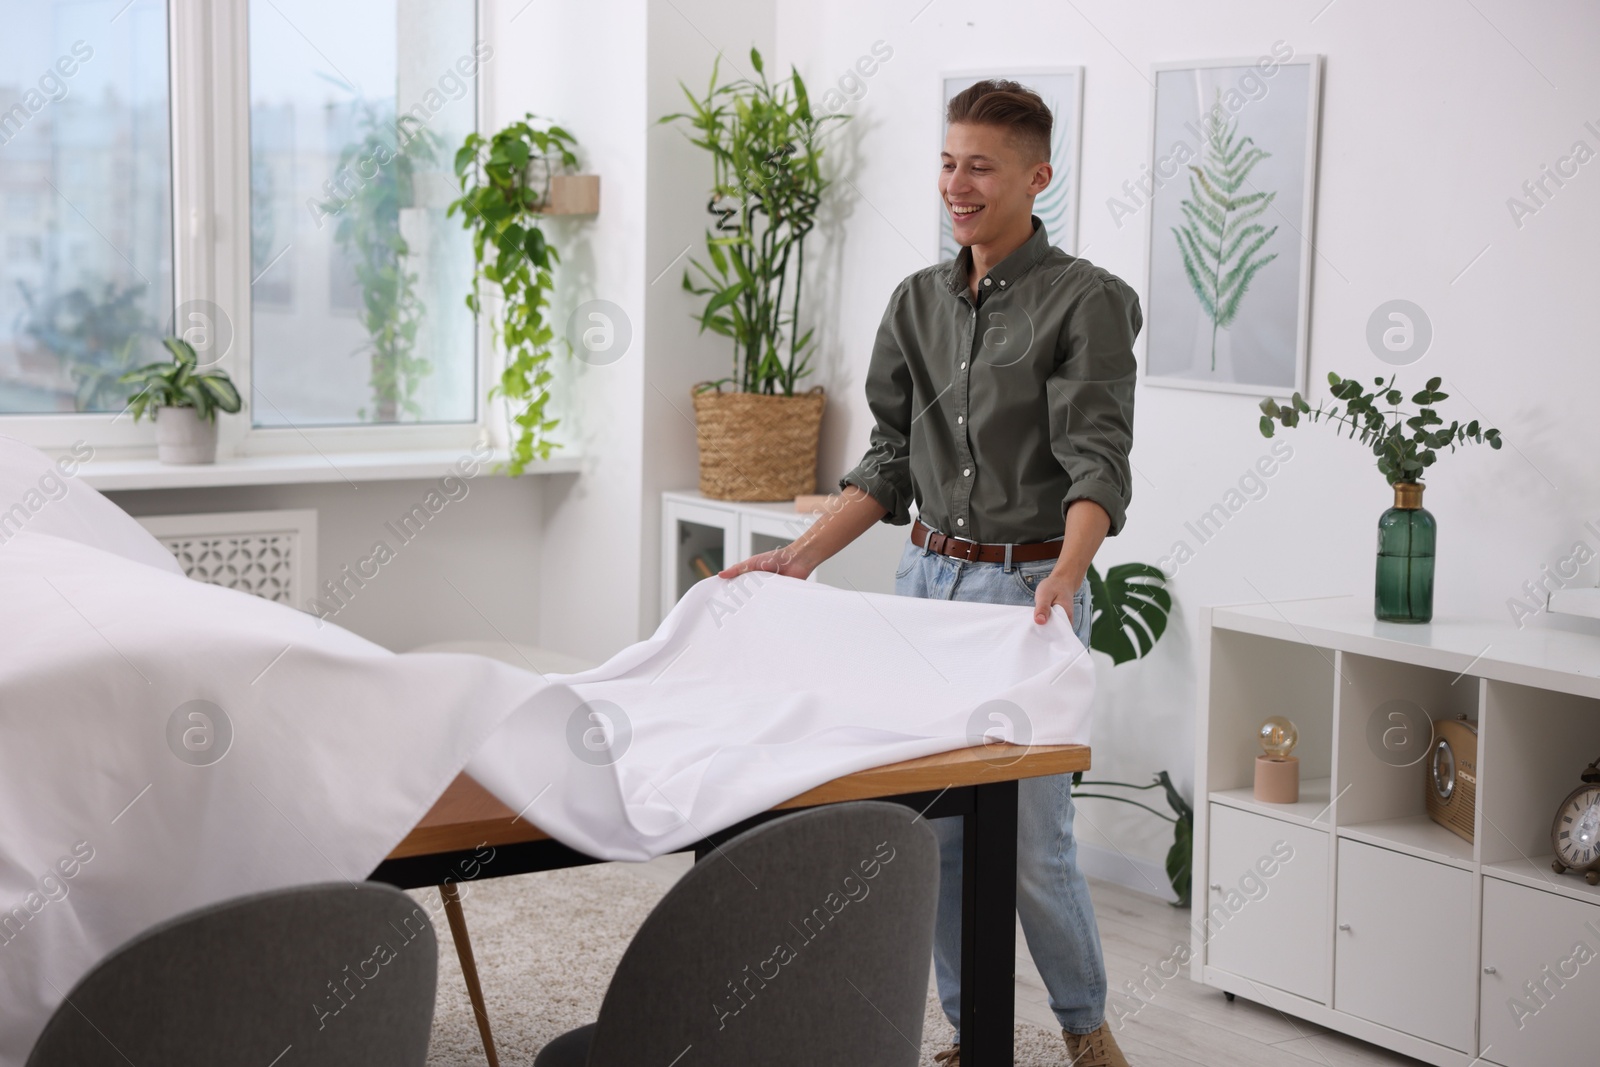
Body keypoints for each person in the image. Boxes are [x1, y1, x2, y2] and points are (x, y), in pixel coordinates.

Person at [719, 78, 1139, 1067]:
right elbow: (890, 460)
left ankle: (1085, 1030)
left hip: (1018, 600)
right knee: (939, 836)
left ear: (1036, 176)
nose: (958, 182)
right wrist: (801, 557)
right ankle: (971, 1028)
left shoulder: (1088, 301)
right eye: (948, 161)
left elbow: (1097, 457)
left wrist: (1067, 573)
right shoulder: (915, 301)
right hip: (923, 589)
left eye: (981, 165)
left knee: (1033, 843)